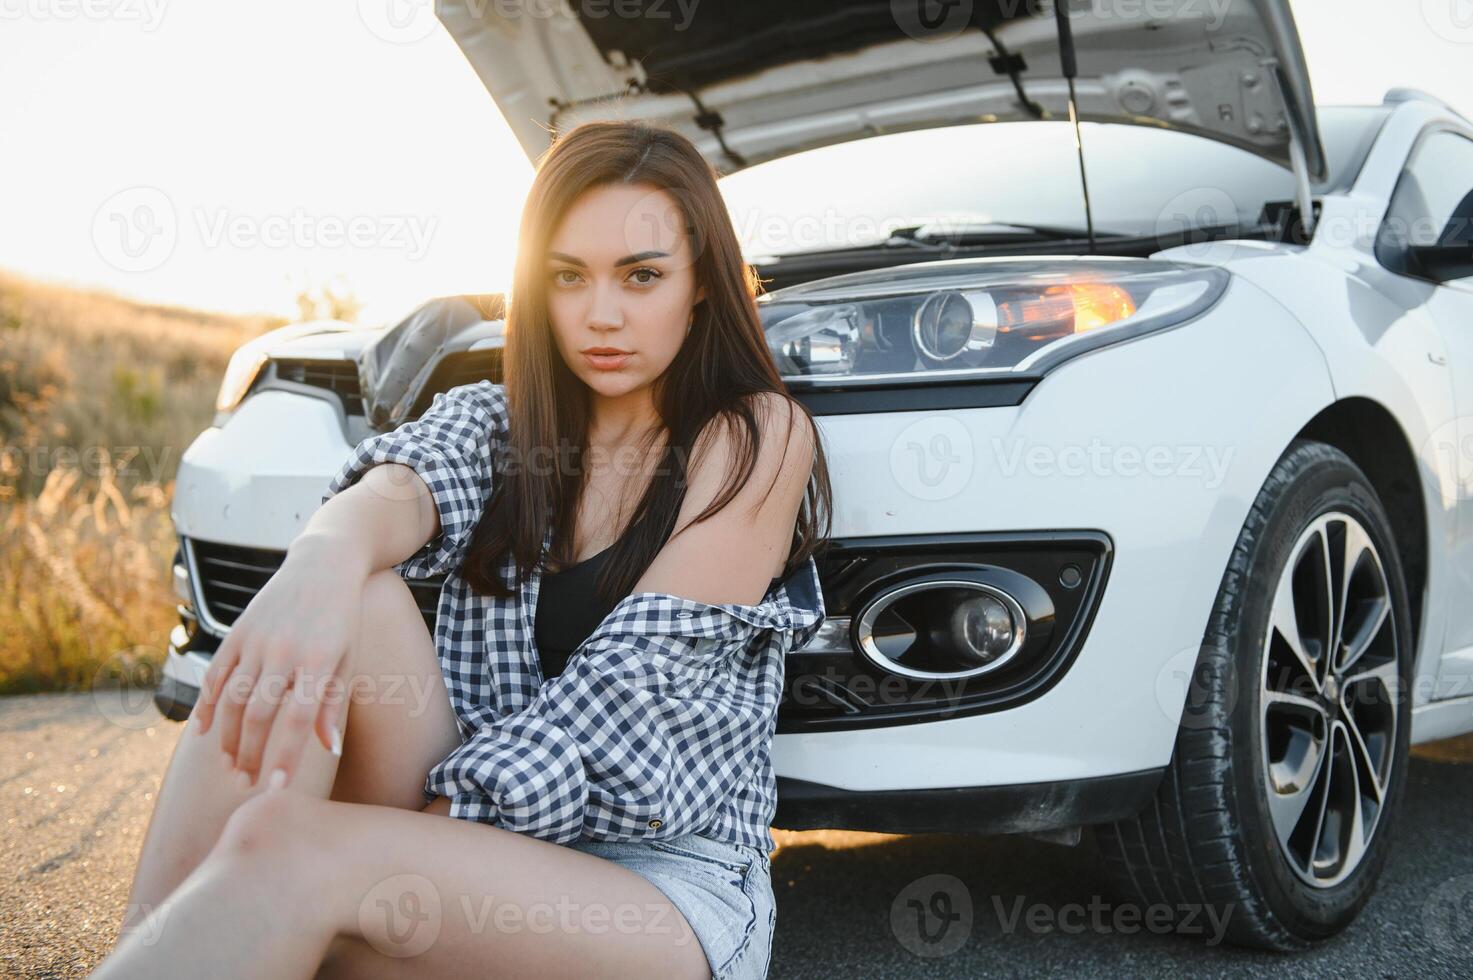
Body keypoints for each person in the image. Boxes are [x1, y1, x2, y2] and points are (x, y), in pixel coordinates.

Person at [95, 119, 833, 980]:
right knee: (342, 604)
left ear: (701, 281)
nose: (601, 314)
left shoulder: (755, 436)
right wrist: (319, 562)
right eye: (569, 277)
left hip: (658, 888)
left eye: (641, 276)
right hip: (463, 843)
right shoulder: (498, 423)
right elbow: (394, 490)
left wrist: (393, 840)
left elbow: (626, 705)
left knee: (285, 854)